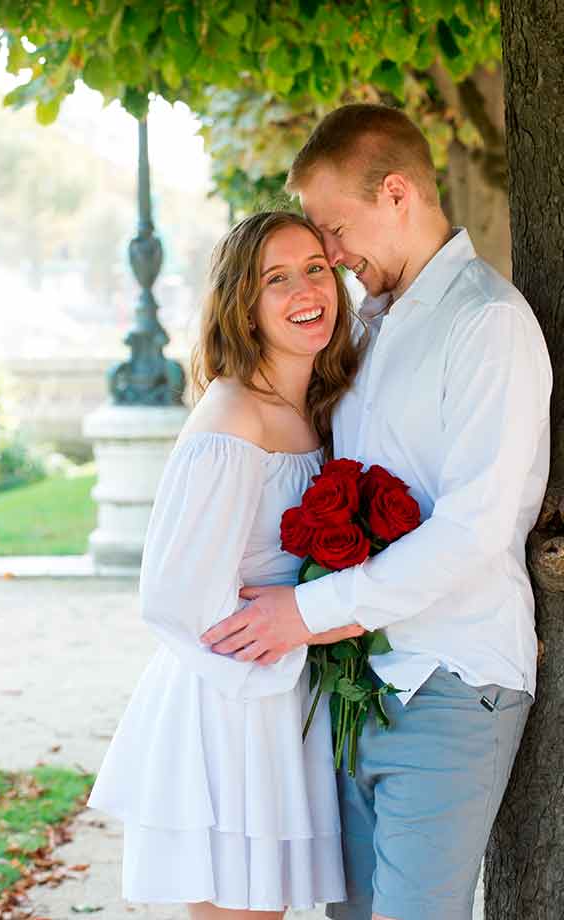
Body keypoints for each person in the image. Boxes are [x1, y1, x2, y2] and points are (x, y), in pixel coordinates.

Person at [201, 104, 552, 920]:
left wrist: (308, 614)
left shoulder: (487, 323)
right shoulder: (365, 324)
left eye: (333, 226)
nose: (327, 254)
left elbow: (476, 528)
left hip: (451, 679)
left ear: (397, 192)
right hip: (355, 685)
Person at [89, 211, 368, 918]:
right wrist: (304, 632)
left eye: (315, 267)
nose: (307, 290)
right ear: (244, 306)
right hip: (234, 705)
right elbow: (174, 595)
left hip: (281, 699)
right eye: (277, 278)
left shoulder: (314, 408)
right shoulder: (233, 417)